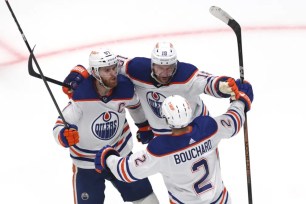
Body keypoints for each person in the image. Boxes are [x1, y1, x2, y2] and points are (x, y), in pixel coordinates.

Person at [94, 79, 253, 204]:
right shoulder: (208, 128)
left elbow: (127, 171)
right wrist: (241, 101)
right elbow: (233, 121)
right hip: (220, 201)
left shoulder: (161, 149)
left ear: (166, 119)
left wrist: (108, 157)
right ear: (189, 111)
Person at [62, 42, 238, 143]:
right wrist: (79, 72)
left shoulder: (186, 75)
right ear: (152, 65)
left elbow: (207, 81)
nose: (165, 73)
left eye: (169, 68)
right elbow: (104, 64)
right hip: (162, 135)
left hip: (195, 127)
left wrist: (222, 86)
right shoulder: (136, 69)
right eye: (160, 67)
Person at [52, 49, 159, 203]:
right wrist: (63, 136)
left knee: (148, 201)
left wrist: (143, 126)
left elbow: (135, 105)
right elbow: (60, 124)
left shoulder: (124, 87)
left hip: (120, 155)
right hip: (87, 163)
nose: (113, 73)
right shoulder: (81, 94)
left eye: (114, 68)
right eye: (107, 70)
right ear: (95, 72)